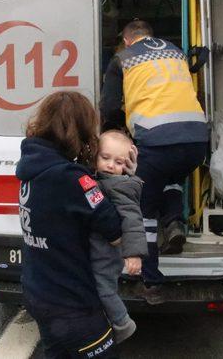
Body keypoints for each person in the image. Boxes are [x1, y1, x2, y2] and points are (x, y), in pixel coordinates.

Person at [100, 20, 208, 304]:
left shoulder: (122, 58)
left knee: (142, 211)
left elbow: (110, 105)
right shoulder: (175, 51)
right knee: (172, 177)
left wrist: (113, 133)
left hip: (157, 142)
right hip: (197, 140)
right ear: (149, 34)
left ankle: (152, 283)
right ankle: (174, 222)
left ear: (126, 40)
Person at [16, 91, 121, 358]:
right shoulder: (71, 178)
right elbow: (115, 232)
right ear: (82, 129)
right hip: (72, 306)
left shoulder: (32, 167)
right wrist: (124, 181)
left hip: (40, 293)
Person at [90, 130, 147, 344]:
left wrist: (133, 254)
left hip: (106, 254)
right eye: (105, 158)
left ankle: (122, 323)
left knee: (104, 290)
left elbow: (133, 221)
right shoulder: (99, 178)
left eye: (118, 161)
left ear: (127, 164)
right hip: (97, 250)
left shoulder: (119, 186)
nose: (111, 165)